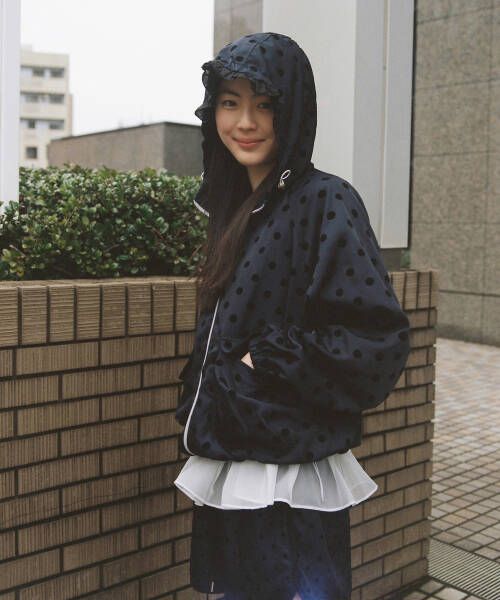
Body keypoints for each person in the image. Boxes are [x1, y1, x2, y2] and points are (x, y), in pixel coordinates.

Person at [174, 32, 411, 600]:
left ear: (294, 110)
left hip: (289, 472)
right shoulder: (236, 210)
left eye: (265, 104)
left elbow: (376, 337)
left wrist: (265, 359)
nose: (245, 122)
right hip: (236, 455)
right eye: (230, 102)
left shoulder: (325, 200)